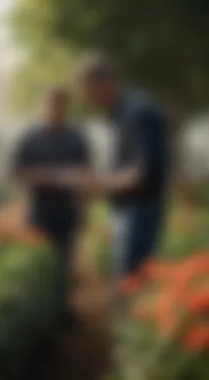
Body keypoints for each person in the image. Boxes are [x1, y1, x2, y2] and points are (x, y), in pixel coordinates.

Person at [12, 86, 94, 379]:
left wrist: (85, 209)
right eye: (50, 106)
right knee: (40, 265)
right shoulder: (31, 138)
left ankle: (62, 311)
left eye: (60, 107)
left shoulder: (76, 138)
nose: (54, 111)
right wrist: (45, 175)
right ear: (43, 107)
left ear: (66, 108)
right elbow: (16, 171)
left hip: (66, 210)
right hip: (39, 211)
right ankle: (43, 320)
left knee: (65, 260)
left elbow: (87, 174)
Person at [78, 54, 170, 282]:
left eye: (90, 91)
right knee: (126, 277)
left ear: (104, 82)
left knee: (132, 279)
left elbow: (141, 172)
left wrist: (100, 183)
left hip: (140, 209)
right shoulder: (120, 113)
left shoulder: (139, 112)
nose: (89, 98)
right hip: (126, 208)